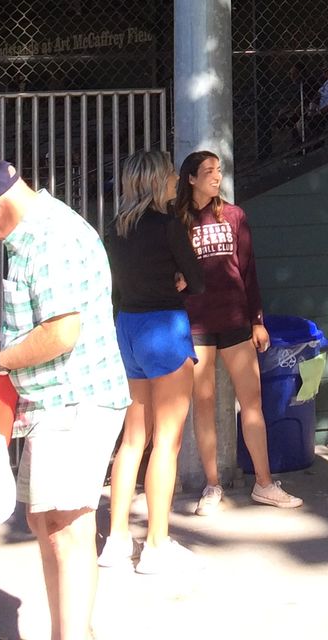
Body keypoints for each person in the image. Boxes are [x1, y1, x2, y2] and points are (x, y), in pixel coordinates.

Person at [0, 160, 129, 640]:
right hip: (54, 403)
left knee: (66, 529)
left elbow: (62, 333)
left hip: (76, 401)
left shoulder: (51, 238)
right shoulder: (32, 238)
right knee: (46, 522)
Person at [175, 149, 303, 511]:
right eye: (209, 171)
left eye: (219, 170)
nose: (217, 177)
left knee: (252, 402)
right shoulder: (179, 219)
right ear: (191, 178)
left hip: (235, 321)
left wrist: (257, 321)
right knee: (204, 403)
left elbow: (247, 271)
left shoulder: (234, 215)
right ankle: (212, 486)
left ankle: (264, 482)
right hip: (196, 324)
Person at [98, 150, 204, 578]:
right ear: (157, 180)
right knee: (167, 442)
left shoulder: (115, 230)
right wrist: (177, 278)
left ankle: (117, 539)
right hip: (164, 327)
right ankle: (157, 543)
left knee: (131, 440)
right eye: (170, 177)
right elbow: (196, 280)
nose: (176, 182)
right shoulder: (168, 226)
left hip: (128, 329)